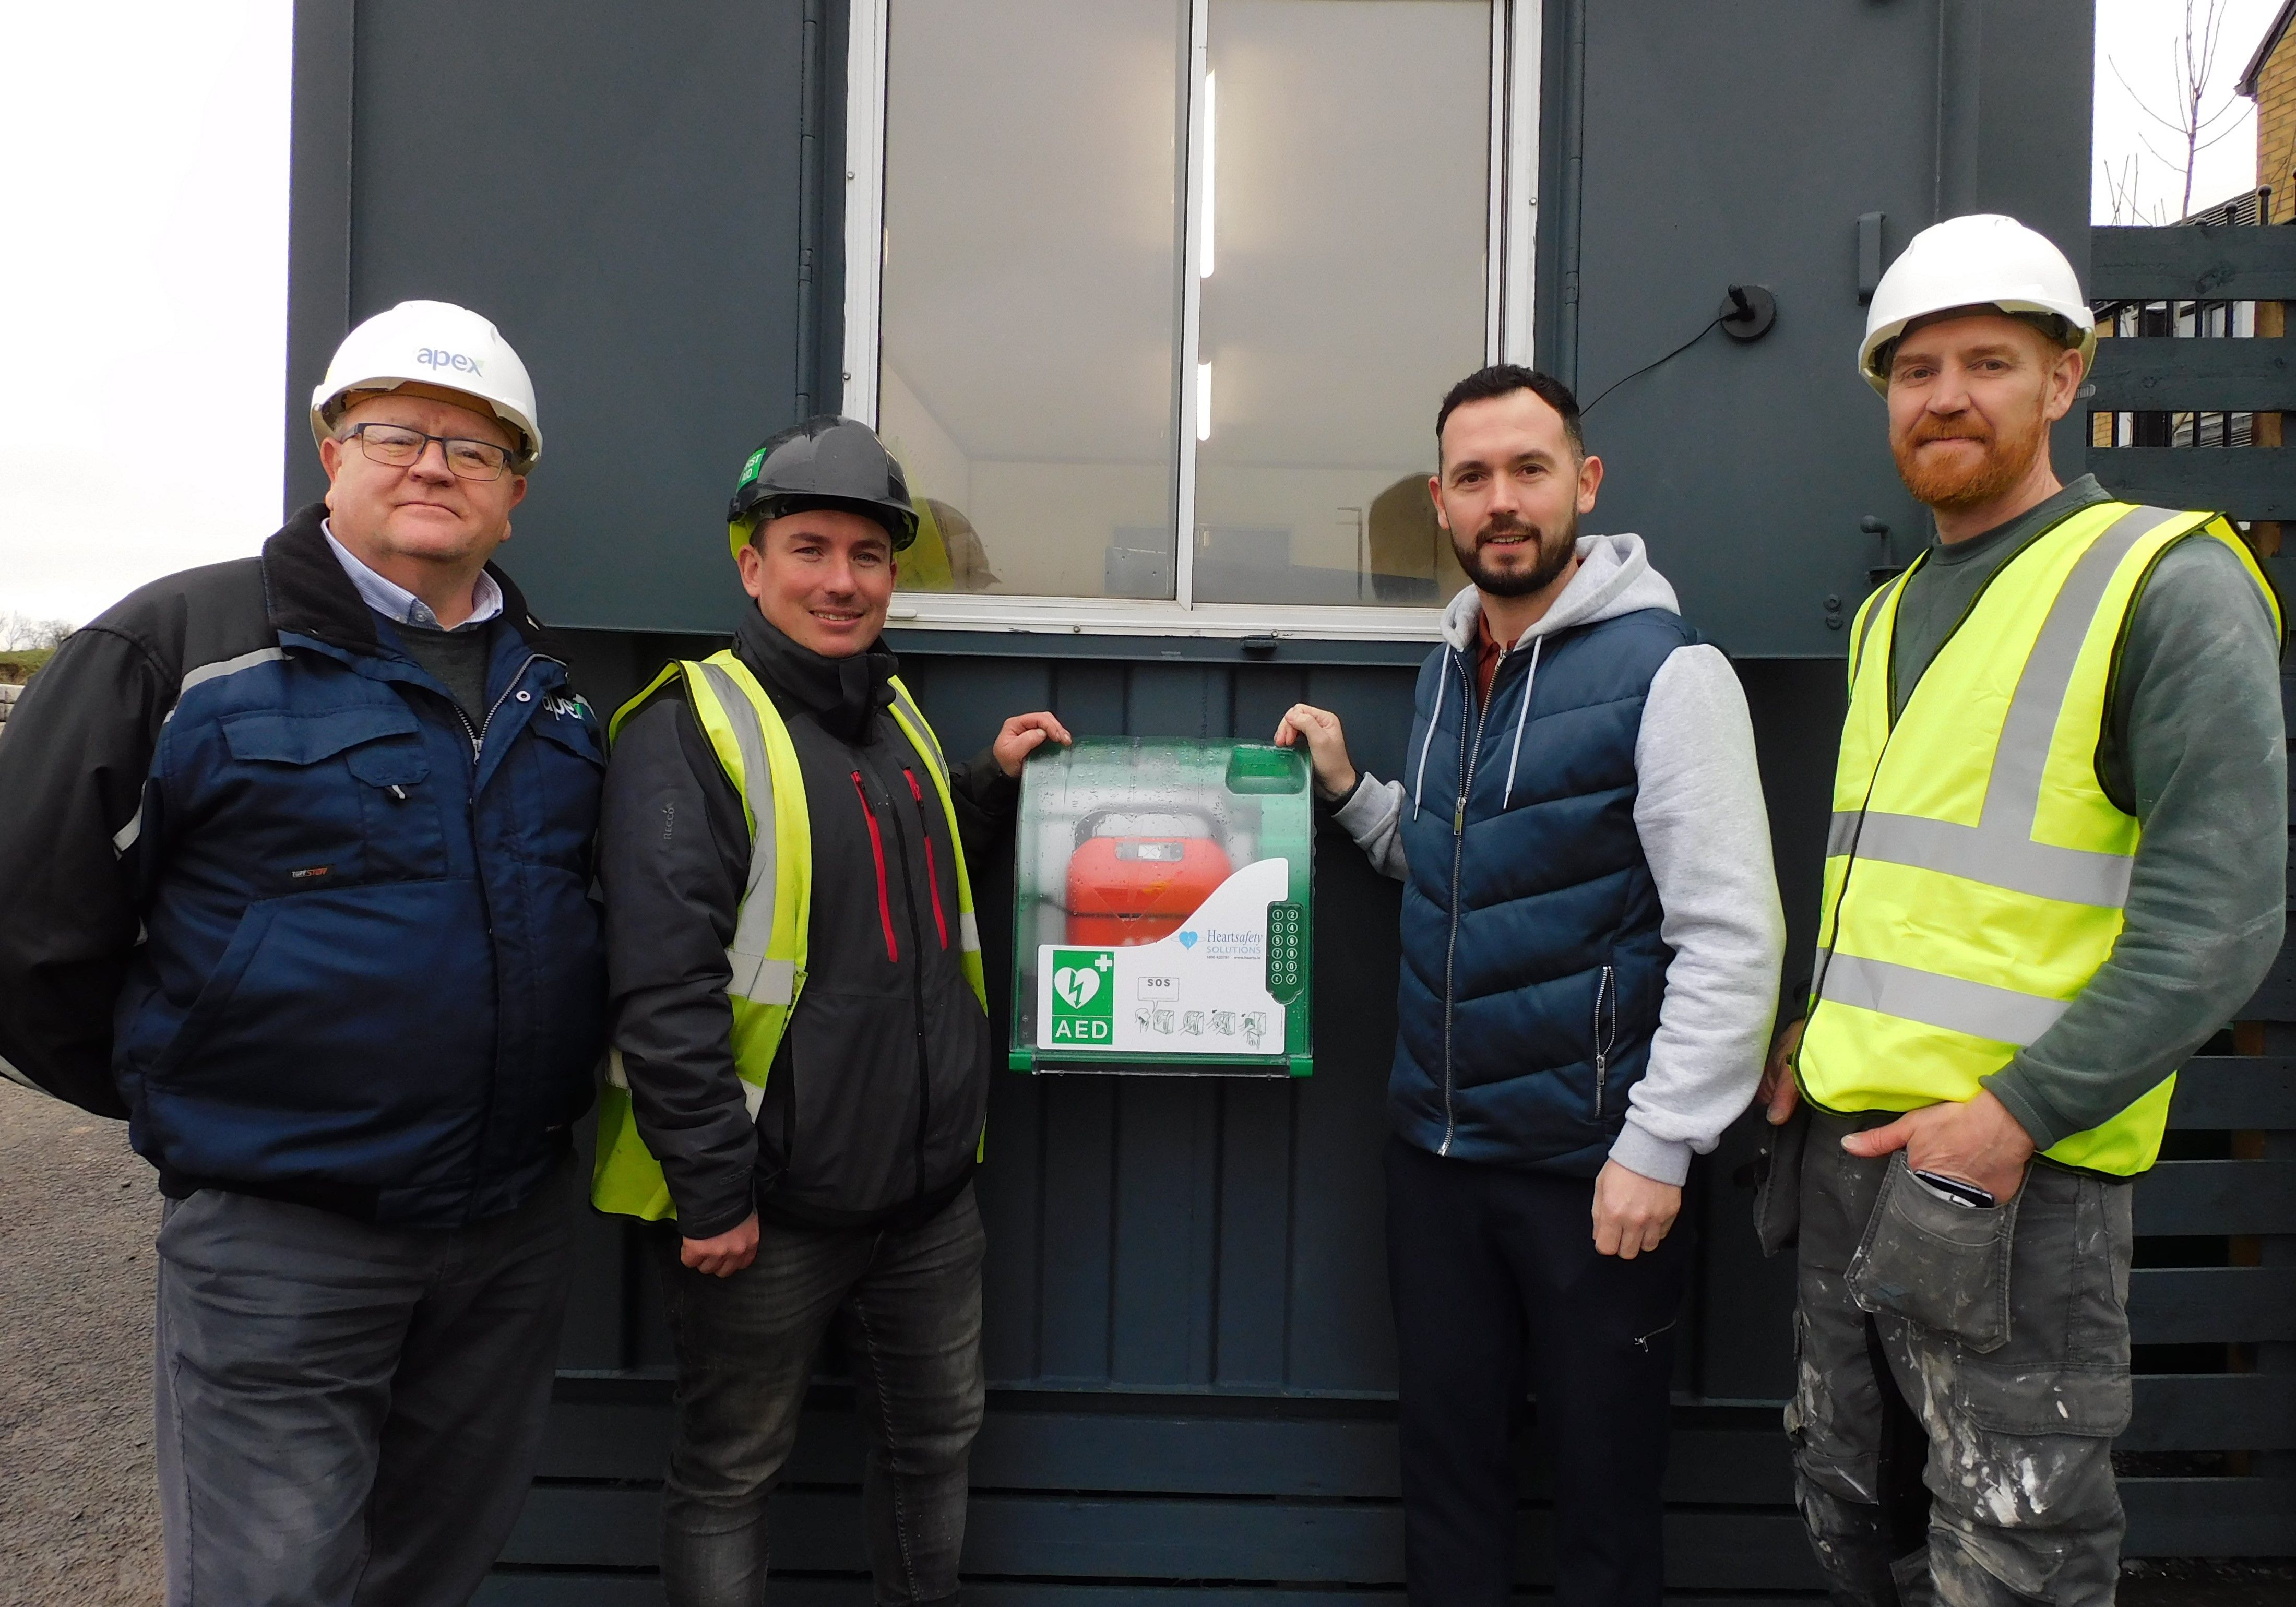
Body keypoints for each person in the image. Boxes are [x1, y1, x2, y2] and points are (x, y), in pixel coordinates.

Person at [0, 300, 609, 1605]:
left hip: (504, 1230)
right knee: (269, 1583)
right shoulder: (176, 649)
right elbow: (27, 924)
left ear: (515, 492)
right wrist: (190, 1084)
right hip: (284, 1237)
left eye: (476, 446)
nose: (435, 465)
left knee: (430, 1569)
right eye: (397, 432)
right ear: (330, 450)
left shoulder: (549, 690)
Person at [1757, 213, 2286, 1607]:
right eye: (1913, 368)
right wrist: (1817, 1032)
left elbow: (2220, 920)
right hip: (1845, 1165)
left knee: (2016, 1566)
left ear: (2065, 380)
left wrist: (2013, 1120)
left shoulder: (2164, 582)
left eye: (1987, 361)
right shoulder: (1891, 613)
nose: (1944, 396)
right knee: (1850, 1522)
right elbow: (1918, 891)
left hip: (2017, 1185)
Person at [1273, 364, 1786, 1606]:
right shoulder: (1451, 663)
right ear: (1441, 504)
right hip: (1437, 1162)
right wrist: (1351, 793)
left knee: (1604, 1504)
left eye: (1528, 470)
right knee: (1447, 1481)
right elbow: (1457, 867)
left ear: (1583, 485)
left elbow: (1734, 937)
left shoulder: (1673, 674)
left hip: (1591, 1174)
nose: (1501, 501)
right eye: (1472, 478)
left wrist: (1659, 1145)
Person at [590, 416, 1069, 1607]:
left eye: (868, 554)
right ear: (751, 563)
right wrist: (713, 1191)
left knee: (933, 1448)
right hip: (763, 1215)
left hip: (926, 1202)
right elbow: (663, 985)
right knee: (730, 1473)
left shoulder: (895, 714)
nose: (842, 581)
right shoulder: (689, 728)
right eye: (810, 548)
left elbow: (881, 866)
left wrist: (986, 786)